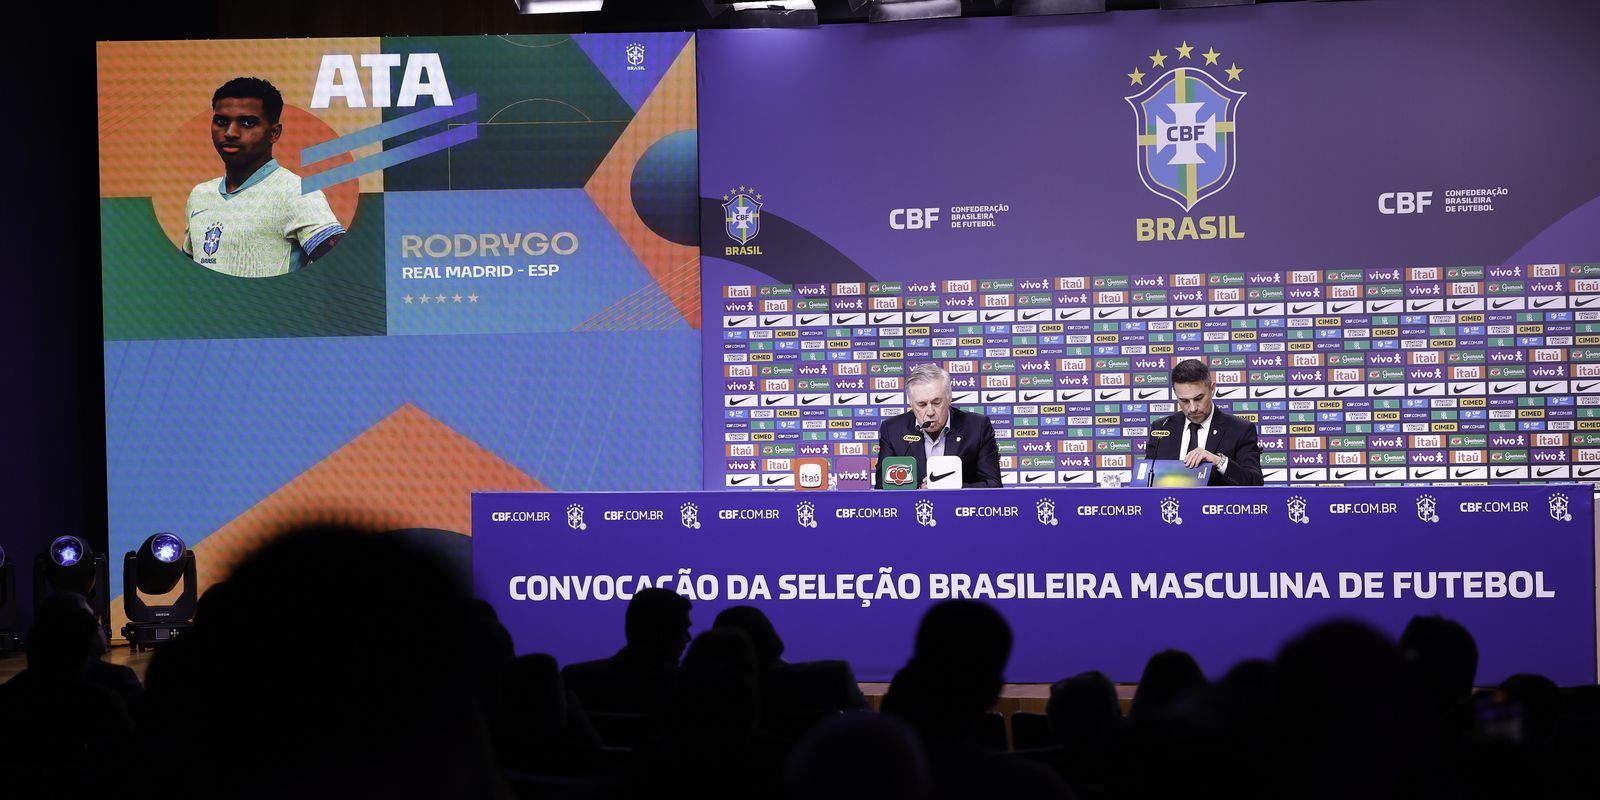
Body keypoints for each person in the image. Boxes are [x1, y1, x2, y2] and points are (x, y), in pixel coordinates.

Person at [182, 77, 344, 278]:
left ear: (274, 133)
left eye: (247, 123)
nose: (230, 133)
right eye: (221, 122)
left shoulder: (296, 192)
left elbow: (346, 267)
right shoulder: (200, 195)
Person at [874, 363, 1002, 489]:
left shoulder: (977, 427)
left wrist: (949, 489)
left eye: (936, 402)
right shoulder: (892, 430)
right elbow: (882, 488)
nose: (930, 412)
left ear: (949, 398)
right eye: (922, 405)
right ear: (911, 404)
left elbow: (993, 485)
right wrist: (918, 491)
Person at [1143, 358, 1263, 486]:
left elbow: (1254, 482)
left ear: (1212, 388)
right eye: (1184, 401)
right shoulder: (1161, 428)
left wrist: (1218, 461)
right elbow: (1145, 482)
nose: (1192, 408)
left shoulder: (1240, 429)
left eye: (1198, 398)